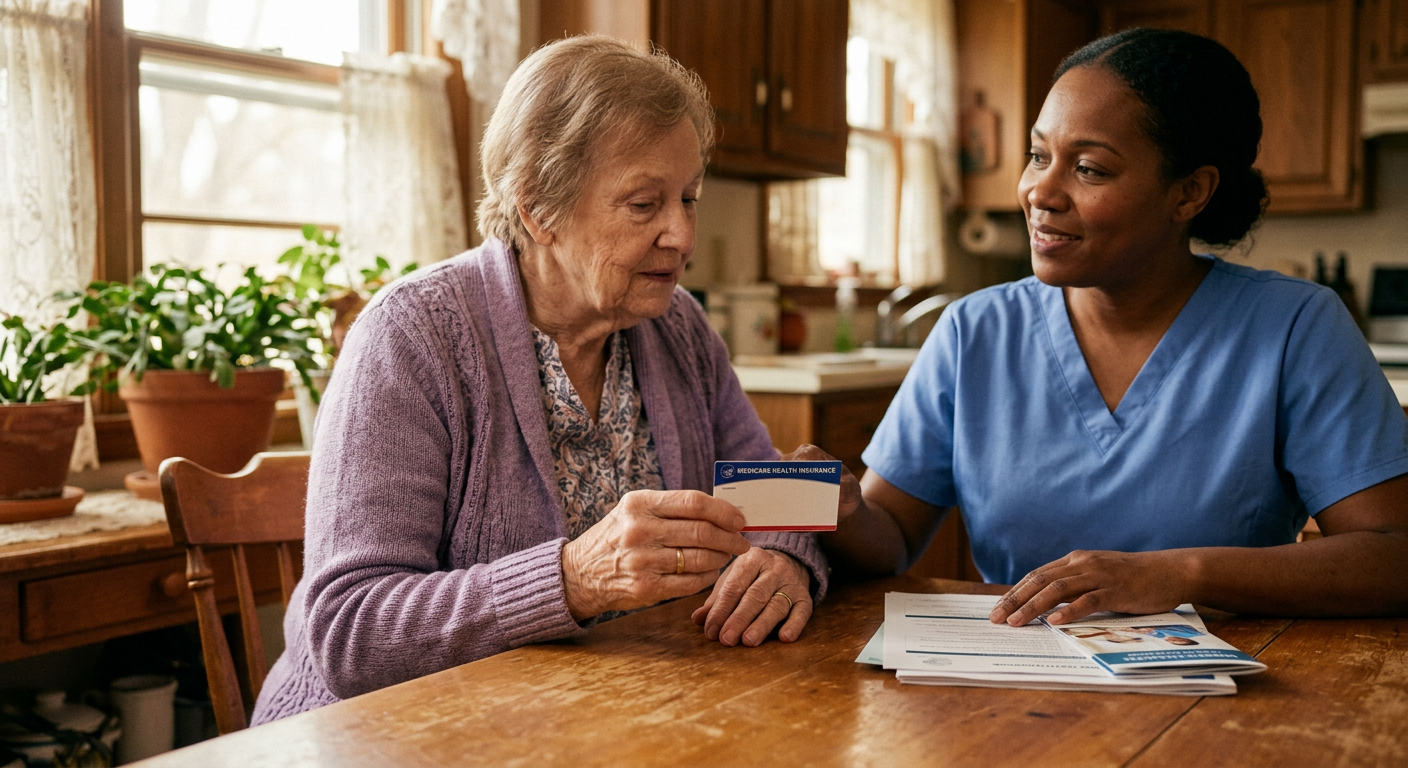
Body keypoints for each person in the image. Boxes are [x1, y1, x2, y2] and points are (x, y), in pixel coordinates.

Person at [252, 36, 826, 724]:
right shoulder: (412, 335)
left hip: (601, 719)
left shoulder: (678, 326)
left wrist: (789, 557)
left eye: (689, 198)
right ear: (538, 210)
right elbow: (351, 630)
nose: (682, 234)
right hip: (395, 736)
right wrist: (573, 580)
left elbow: (777, 496)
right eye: (645, 205)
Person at [820, 28, 1408, 626]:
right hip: (1005, 689)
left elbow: (1391, 557)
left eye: (1090, 169)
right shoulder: (974, 331)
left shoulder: (1295, 328)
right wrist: (845, 514)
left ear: (1189, 193)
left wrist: (1177, 575)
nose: (1039, 192)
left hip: (1217, 700)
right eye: (1038, 155)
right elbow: (889, 534)